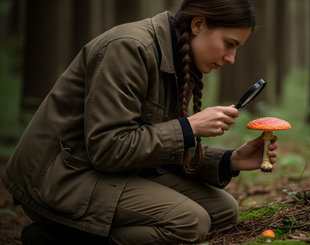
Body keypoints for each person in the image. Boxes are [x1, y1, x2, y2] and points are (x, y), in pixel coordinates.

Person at [1, 0, 279, 244]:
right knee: (190, 221)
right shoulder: (129, 48)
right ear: (198, 25)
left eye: (237, 48)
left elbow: (154, 144)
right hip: (60, 179)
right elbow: (107, 149)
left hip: (108, 170)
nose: (231, 59)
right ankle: (55, 239)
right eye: (229, 44)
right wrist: (188, 128)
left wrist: (231, 160)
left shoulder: (179, 57)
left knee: (223, 211)